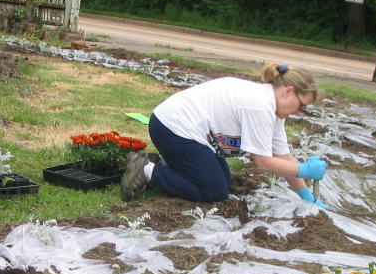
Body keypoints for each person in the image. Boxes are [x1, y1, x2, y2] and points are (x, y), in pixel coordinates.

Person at [121, 63, 328, 204]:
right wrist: (304, 170)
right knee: (214, 192)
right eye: (301, 105)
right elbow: (263, 162)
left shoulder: (273, 110)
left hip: (186, 133)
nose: (299, 112)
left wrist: (306, 196)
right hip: (172, 129)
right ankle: (146, 169)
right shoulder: (259, 106)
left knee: (223, 178)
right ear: (288, 91)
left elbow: (283, 157)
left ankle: (172, 164)